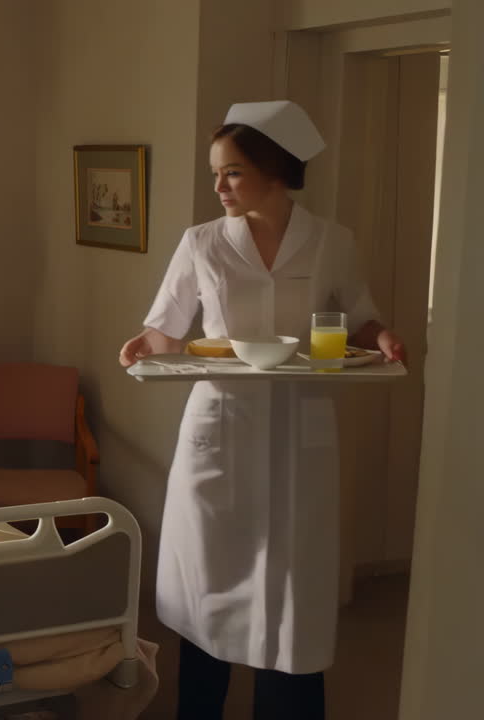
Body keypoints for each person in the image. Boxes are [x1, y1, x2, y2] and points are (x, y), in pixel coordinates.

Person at [118, 101, 406, 720]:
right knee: (208, 588)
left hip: (300, 429)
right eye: (216, 174)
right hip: (221, 429)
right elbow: (167, 330)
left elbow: (359, 314)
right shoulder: (201, 242)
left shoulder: (333, 241)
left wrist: (379, 338)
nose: (218, 186)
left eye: (233, 172)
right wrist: (145, 344)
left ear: (274, 170)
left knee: (294, 589)